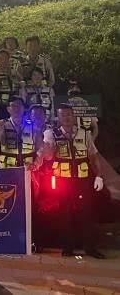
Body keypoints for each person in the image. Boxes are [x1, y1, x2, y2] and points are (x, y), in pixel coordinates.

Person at [41, 104, 105, 258]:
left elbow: (93, 157)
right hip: (62, 180)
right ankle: (67, 247)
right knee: (64, 214)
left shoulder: (84, 134)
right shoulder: (51, 134)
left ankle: (90, 248)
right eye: (63, 115)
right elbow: (48, 156)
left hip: (82, 180)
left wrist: (99, 176)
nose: (66, 118)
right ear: (58, 117)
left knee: (87, 213)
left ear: (73, 116)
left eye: (69, 115)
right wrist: (45, 145)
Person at [0, 96, 39, 168]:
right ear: (8, 109)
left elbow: (40, 147)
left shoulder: (33, 126)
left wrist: (38, 161)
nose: (17, 109)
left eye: (19, 105)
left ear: (24, 108)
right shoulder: (1, 125)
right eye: (13, 106)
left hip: (28, 167)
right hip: (8, 168)